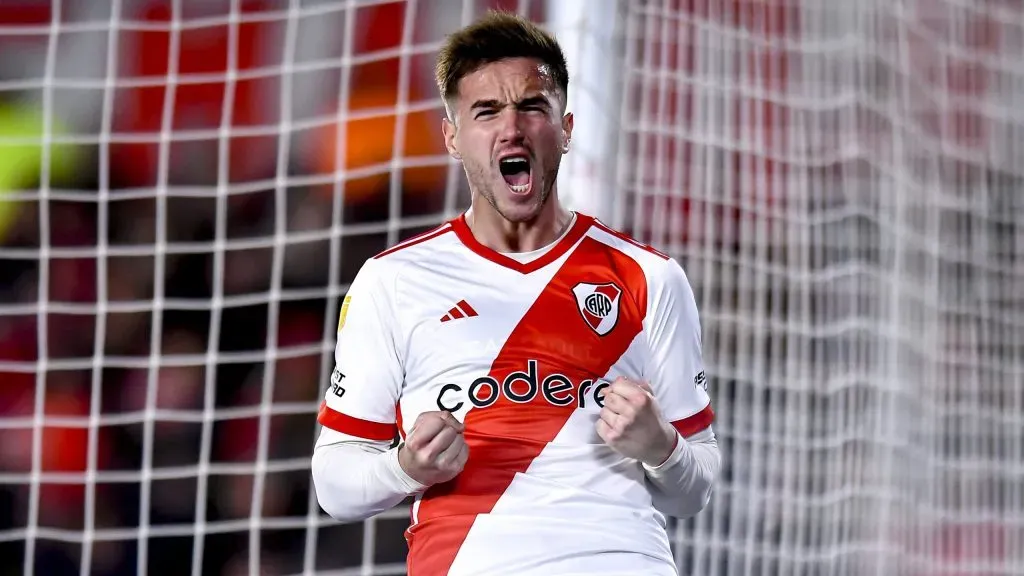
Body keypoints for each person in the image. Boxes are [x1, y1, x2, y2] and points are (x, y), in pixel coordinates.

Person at [310, 10, 721, 576]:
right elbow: (335, 485)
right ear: (452, 138)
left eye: (532, 106)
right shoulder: (394, 281)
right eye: (487, 111)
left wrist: (662, 448)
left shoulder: (648, 277)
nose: (512, 128)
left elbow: (693, 490)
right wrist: (405, 467)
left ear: (567, 127)